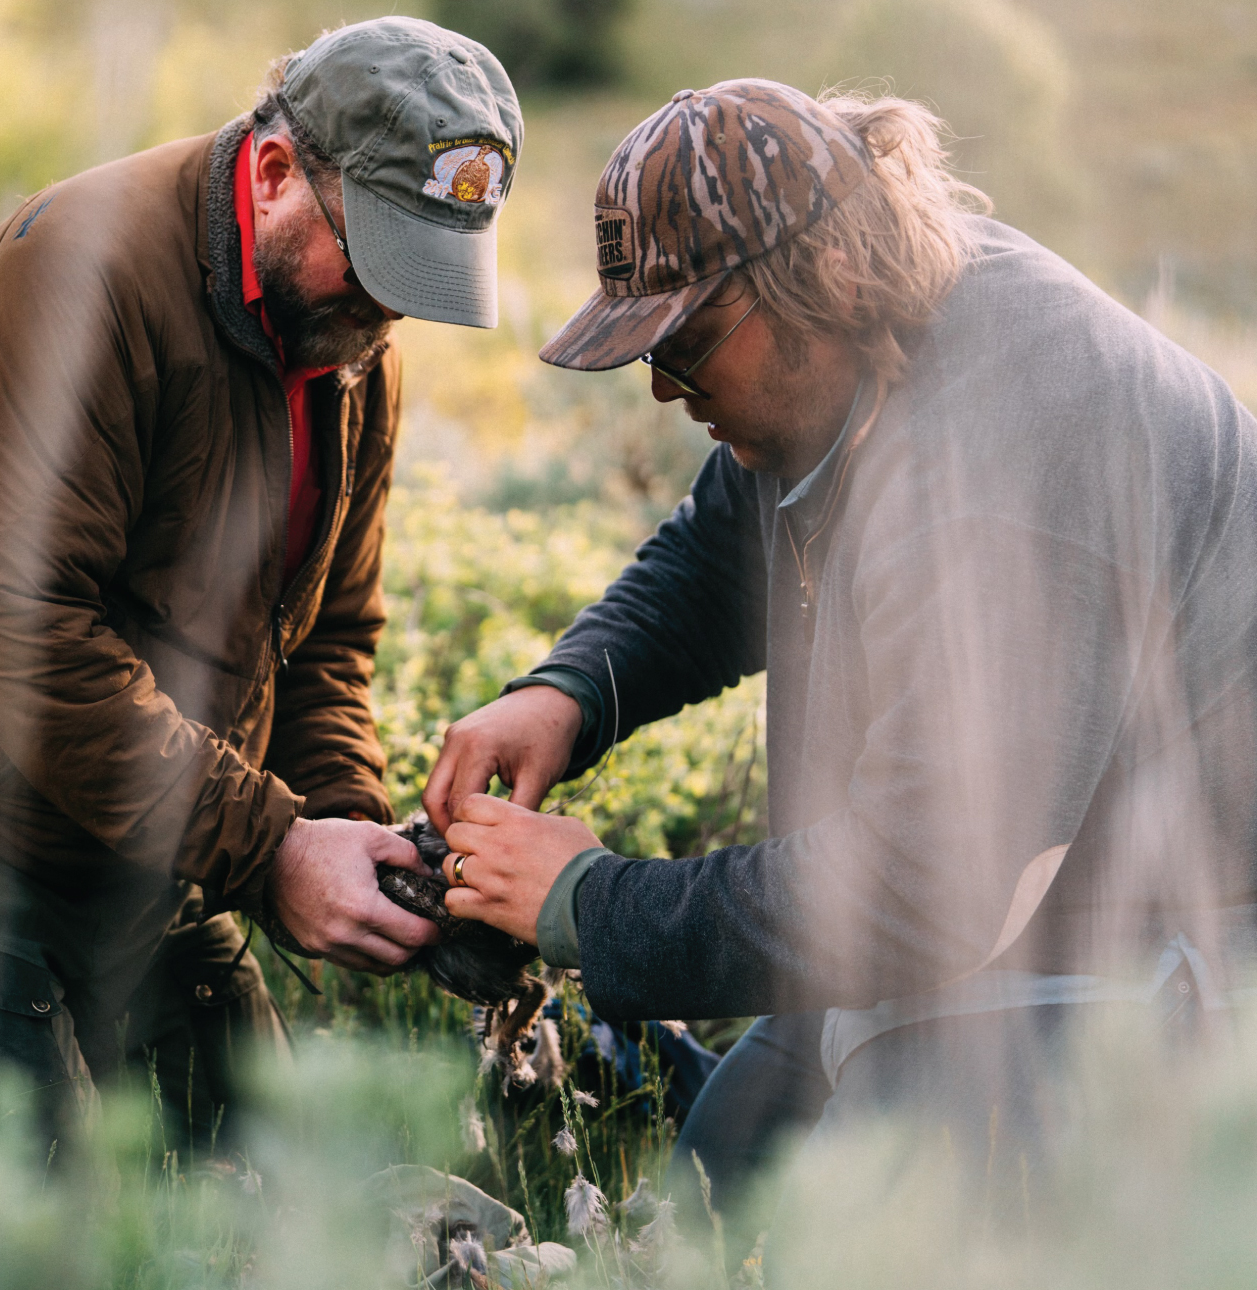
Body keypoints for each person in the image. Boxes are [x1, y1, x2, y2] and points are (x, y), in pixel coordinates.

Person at [423, 79, 1257, 1247]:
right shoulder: (858, 342)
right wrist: (570, 693)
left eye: (686, 344)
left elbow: (932, 888)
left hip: (1159, 940)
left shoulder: (1010, 459)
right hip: (1002, 895)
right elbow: (726, 548)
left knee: (855, 1239)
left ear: (821, 279)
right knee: (719, 1192)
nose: (663, 390)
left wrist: (586, 906)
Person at [0, 16, 523, 1149]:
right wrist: (265, 849)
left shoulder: (347, 346)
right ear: (272, 172)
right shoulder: (71, 282)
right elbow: (19, 643)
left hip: (130, 836)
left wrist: (350, 837)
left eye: (426, 273)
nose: (391, 312)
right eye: (376, 260)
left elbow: (323, 643)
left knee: (266, 1185)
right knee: (19, 1215)